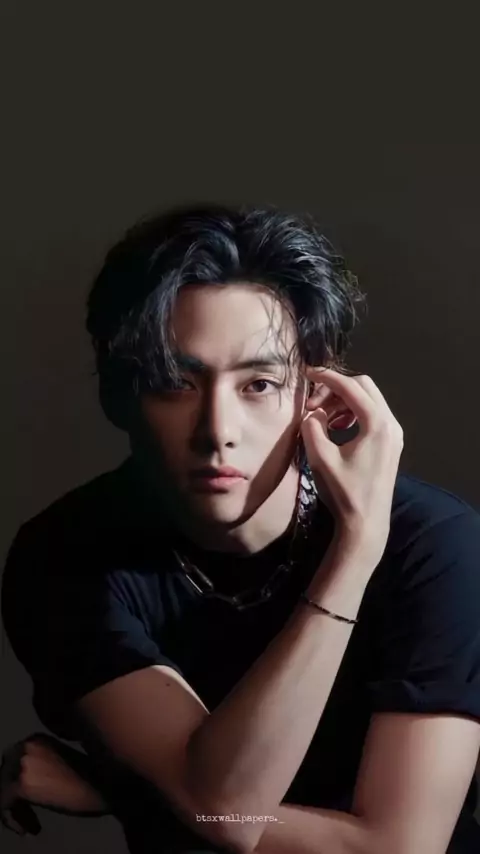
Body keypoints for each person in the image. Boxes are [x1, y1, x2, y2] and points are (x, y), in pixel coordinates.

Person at [2, 202, 480, 854]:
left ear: (317, 393)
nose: (217, 431)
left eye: (258, 384)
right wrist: (353, 558)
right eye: (175, 382)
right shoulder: (65, 556)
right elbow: (223, 806)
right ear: (118, 394)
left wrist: (125, 793)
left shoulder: (436, 545)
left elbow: (399, 848)